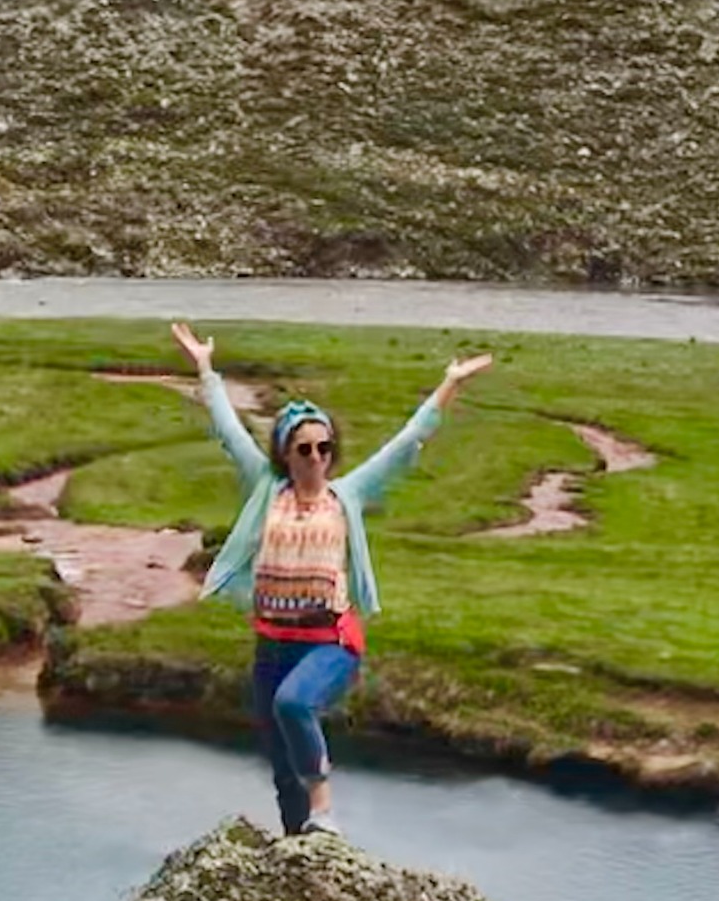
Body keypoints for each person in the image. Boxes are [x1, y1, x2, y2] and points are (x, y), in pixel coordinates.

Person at [171, 321, 493, 840]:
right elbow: (230, 431)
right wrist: (205, 369)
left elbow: (408, 440)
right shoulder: (266, 489)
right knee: (281, 767)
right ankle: (301, 851)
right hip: (271, 645)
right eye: (304, 449)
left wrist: (450, 383)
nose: (317, 458)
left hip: (330, 640)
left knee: (294, 705)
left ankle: (325, 812)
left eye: (324, 448)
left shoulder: (349, 494)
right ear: (284, 454)